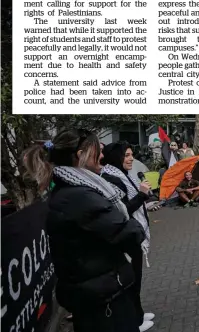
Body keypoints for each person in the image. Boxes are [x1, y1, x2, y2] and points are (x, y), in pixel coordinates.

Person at [29, 130, 146, 332]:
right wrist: (135, 225)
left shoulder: (73, 190)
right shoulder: (80, 196)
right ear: (80, 155)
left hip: (97, 293)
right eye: (97, 151)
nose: (102, 156)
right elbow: (128, 234)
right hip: (102, 301)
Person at [99, 142, 154, 331]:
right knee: (132, 279)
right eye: (127, 155)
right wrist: (142, 195)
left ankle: (138, 313)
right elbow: (122, 212)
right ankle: (135, 322)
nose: (131, 159)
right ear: (116, 157)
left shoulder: (121, 175)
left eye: (132, 155)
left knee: (136, 278)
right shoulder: (112, 179)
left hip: (132, 234)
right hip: (125, 238)